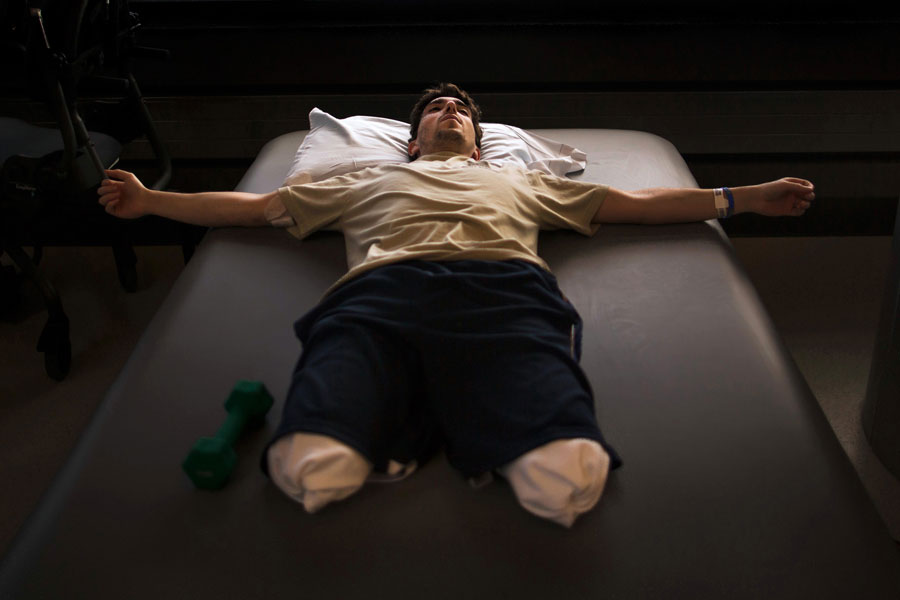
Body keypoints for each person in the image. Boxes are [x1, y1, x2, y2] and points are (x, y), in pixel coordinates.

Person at [97, 83, 815, 527]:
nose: (449, 113)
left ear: (479, 142)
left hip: (502, 295)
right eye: (437, 110)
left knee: (569, 476)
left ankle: (427, 427)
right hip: (377, 299)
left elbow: (641, 203)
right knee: (310, 465)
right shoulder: (357, 182)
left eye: (461, 112)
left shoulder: (520, 182)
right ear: (410, 142)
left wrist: (742, 198)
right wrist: (150, 202)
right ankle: (430, 424)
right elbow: (251, 210)